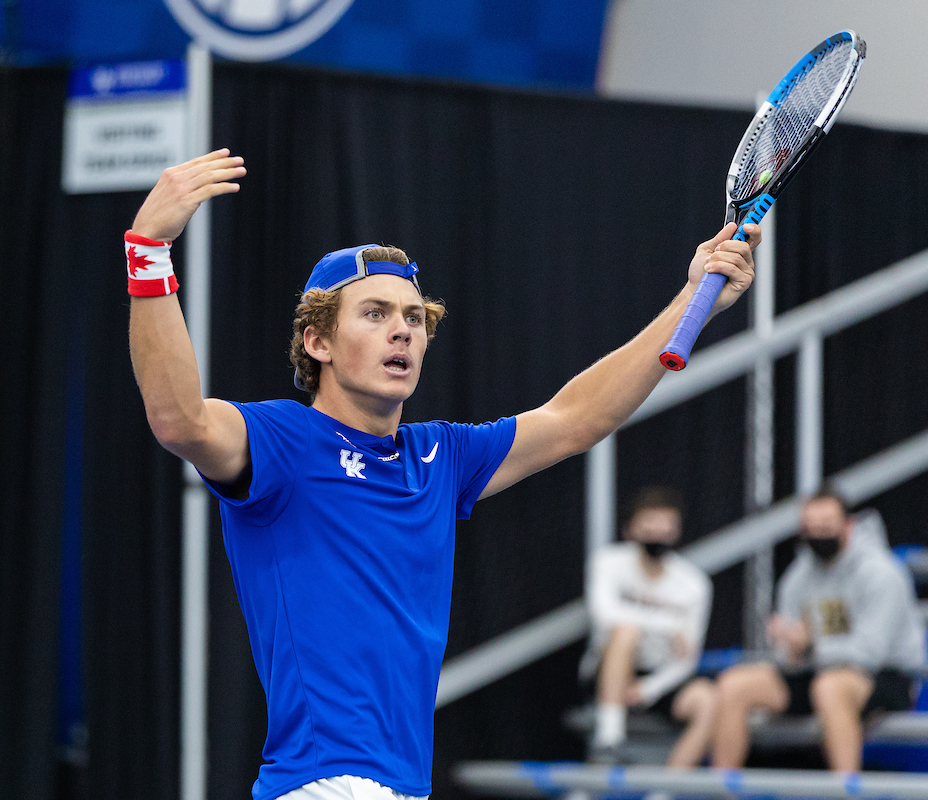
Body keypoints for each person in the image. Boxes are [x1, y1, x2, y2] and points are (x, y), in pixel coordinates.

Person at [125, 149, 759, 800]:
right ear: (317, 342)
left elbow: (577, 418)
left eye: (413, 318)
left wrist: (694, 301)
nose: (402, 331)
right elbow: (179, 420)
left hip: (400, 785)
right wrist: (149, 248)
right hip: (326, 782)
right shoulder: (281, 440)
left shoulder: (443, 456)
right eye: (374, 314)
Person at [708, 485, 928, 771]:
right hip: (815, 668)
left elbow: (870, 653)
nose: (818, 535)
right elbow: (788, 658)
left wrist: (812, 646)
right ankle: (722, 789)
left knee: (831, 687)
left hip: (886, 675)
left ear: (848, 525)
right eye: (811, 528)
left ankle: (844, 790)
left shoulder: (881, 574)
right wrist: (790, 648)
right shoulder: (797, 578)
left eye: (826, 525)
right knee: (733, 684)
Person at [580, 487, 714, 766]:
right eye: (649, 524)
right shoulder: (608, 562)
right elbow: (604, 614)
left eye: (666, 525)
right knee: (626, 631)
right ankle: (609, 738)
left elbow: (688, 656)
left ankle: (667, 790)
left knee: (709, 700)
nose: (657, 533)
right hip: (607, 670)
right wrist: (668, 625)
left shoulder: (694, 584)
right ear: (630, 529)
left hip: (662, 678)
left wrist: (649, 688)